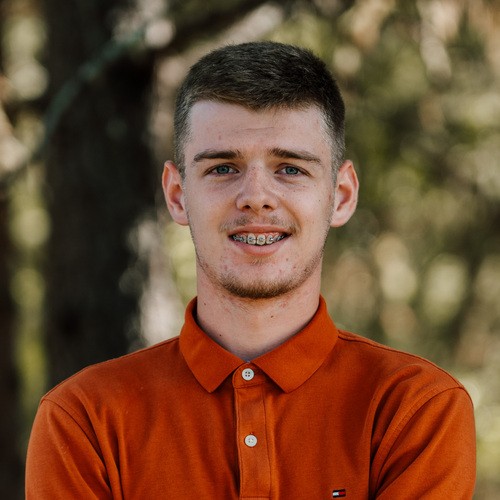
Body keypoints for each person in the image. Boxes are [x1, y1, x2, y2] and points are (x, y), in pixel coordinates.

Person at [26, 41, 476, 499]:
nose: (256, 197)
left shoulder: (416, 409)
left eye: (290, 169)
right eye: (223, 168)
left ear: (340, 195)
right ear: (178, 195)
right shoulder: (82, 419)